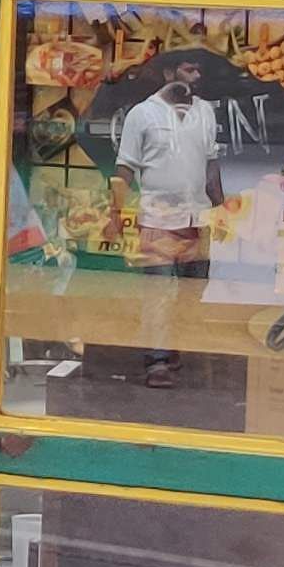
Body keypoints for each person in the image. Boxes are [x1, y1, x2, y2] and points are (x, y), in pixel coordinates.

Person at [109, 54, 224, 386]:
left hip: (197, 216)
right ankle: (156, 361)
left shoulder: (205, 111)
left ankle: (174, 349)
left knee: (192, 290)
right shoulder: (142, 114)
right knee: (158, 291)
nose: (197, 75)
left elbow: (211, 163)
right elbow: (125, 168)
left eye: (199, 69)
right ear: (169, 72)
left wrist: (221, 209)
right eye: (190, 68)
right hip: (157, 218)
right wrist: (114, 212)